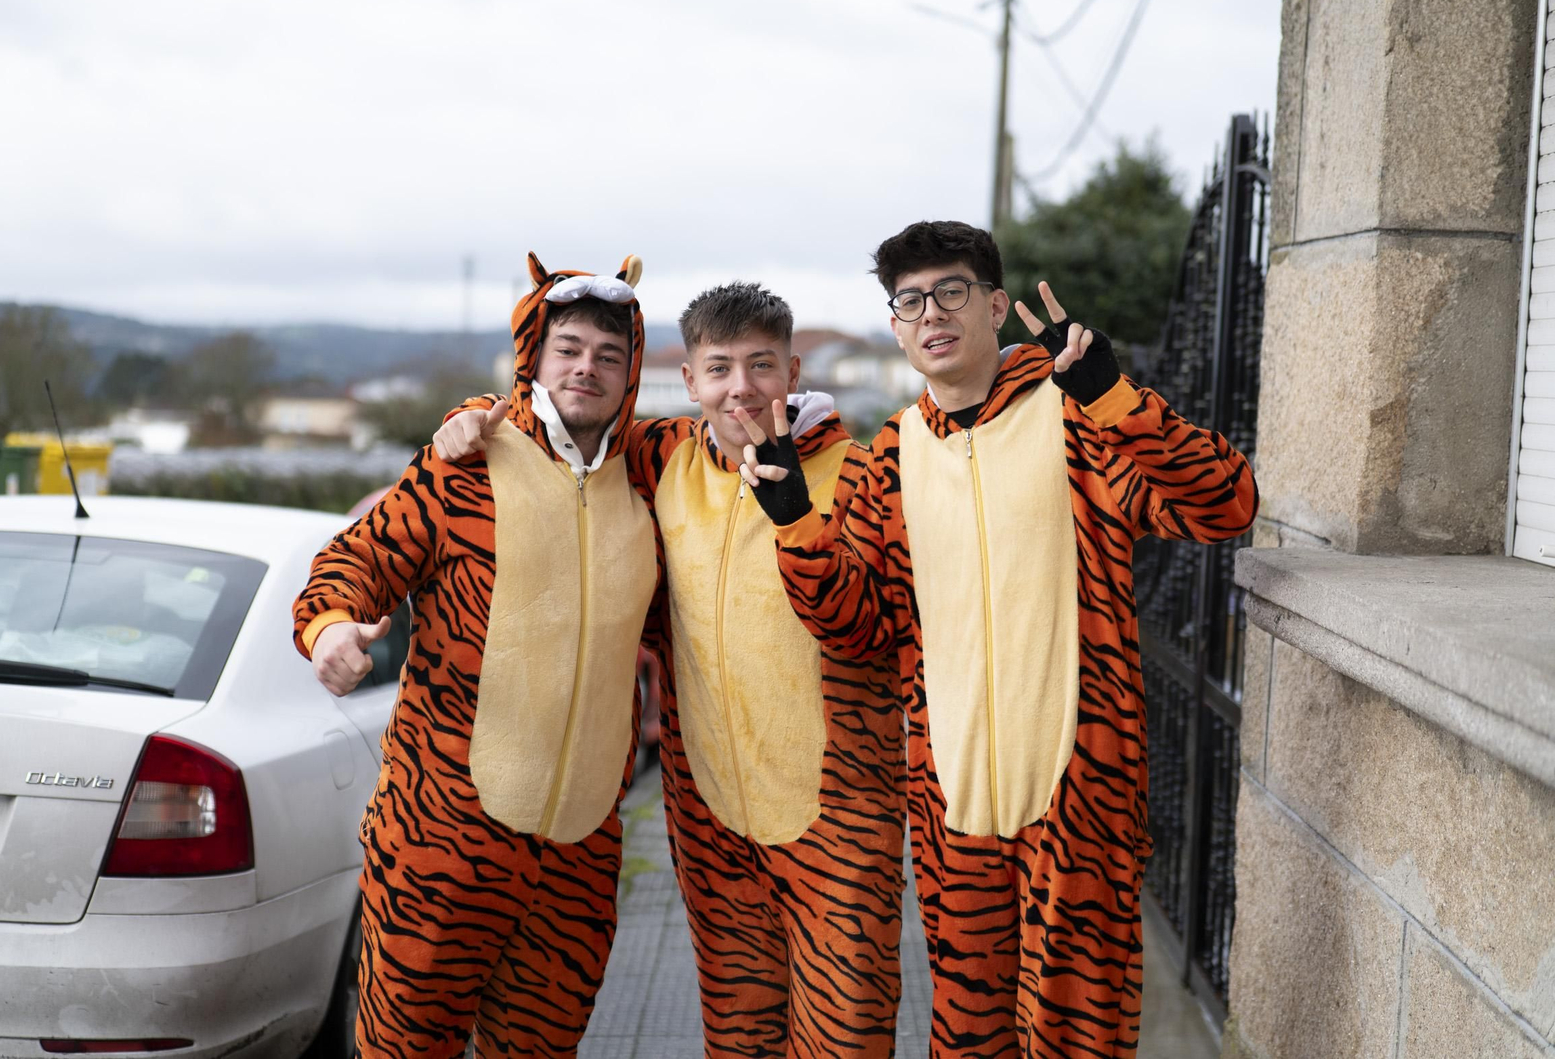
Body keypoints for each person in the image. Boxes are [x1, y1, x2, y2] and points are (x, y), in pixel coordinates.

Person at [735, 220, 1259, 1058]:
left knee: (1078, 1040)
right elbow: (856, 629)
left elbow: (1224, 505)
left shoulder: (1077, 418)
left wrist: (1116, 397)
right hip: (953, 807)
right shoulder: (888, 458)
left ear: (997, 305)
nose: (931, 311)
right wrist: (797, 524)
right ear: (897, 326)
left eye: (952, 290)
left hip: (1080, 796)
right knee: (967, 1038)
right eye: (909, 300)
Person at [434, 282, 906, 1058]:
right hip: (711, 823)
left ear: (792, 371)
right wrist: (473, 416)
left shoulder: (862, 476)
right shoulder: (663, 458)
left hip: (837, 822)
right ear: (689, 382)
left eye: (761, 365)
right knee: (739, 1039)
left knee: (846, 1041)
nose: (741, 388)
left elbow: (870, 629)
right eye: (719, 368)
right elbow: (564, 427)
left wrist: (796, 517)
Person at [291, 252, 657, 1058]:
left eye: (608, 353)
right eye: (568, 347)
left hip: (579, 856)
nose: (586, 368)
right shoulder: (468, 463)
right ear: (534, 353)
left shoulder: (650, 480)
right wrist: (333, 630)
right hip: (443, 838)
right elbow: (352, 562)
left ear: (632, 368)